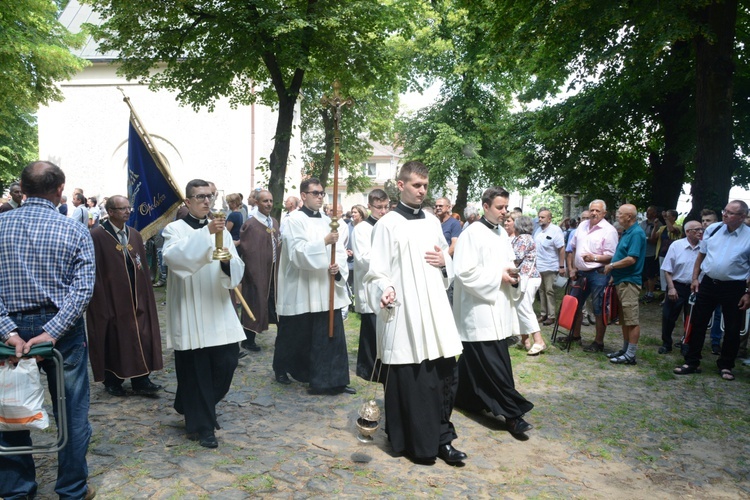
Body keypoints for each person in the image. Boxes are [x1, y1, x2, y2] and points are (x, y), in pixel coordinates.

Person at [0, 161, 96, 500]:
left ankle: (16, 490)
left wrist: (8, 330)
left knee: (10, 408)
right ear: (59, 190)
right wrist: (53, 331)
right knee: (71, 410)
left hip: (10, 327)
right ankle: (71, 489)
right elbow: (82, 289)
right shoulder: (74, 230)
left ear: (22, 189)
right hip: (62, 330)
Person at [363, 161, 466, 465]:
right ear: (401, 185)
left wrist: (444, 261)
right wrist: (384, 288)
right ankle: (412, 440)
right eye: (416, 185)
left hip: (434, 308)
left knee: (445, 373)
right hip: (405, 312)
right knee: (413, 379)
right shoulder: (386, 225)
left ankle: (443, 439)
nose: (422, 191)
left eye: (425, 185)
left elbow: (444, 261)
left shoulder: (433, 221)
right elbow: (376, 272)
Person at [162, 179, 246, 448]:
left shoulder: (221, 229)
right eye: (199, 197)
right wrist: (207, 234)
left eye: (210, 196)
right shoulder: (173, 229)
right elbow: (175, 259)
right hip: (191, 308)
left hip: (218, 305)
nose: (206, 201)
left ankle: (190, 402)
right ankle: (203, 426)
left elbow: (237, 266)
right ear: (187, 202)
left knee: (227, 362)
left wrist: (227, 265)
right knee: (197, 369)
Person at [454, 187, 534, 435]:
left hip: (498, 307)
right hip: (478, 310)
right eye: (500, 207)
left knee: (474, 363)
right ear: (485, 206)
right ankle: (513, 414)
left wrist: (513, 276)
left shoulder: (502, 234)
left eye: (506, 207)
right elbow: (464, 272)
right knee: (496, 363)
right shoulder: (471, 233)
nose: (504, 212)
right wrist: (497, 276)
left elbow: (508, 264)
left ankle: (462, 397)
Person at [274, 178, 354, 395]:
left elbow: (340, 251)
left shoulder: (330, 221)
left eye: (322, 193)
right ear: (303, 195)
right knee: (295, 332)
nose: (320, 196)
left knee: (330, 334)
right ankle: (282, 367)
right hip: (301, 284)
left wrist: (338, 268)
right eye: (315, 193)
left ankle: (334, 378)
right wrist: (324, 243)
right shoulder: (293, 220)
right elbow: (297, 253)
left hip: (325, 284)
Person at [87, 194, 163, 396]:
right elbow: (93, 270)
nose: (127, 211)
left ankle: (141, 379)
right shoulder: (97, 236)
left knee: (141, 334)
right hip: (112, 297)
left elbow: (142, 267)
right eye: (122, 209)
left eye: (128, 208)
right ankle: (113, 380)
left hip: (136, 296)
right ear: (110, 212)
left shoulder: (135, 235)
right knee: (115, 337)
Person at [674, 200, 750, 381]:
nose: (725, 214)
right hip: (708, 283)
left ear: (742, 217)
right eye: (725, 211)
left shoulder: (748, 236)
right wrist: (694, 278)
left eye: (730, 213)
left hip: (734, 287)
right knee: (698, 322)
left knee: (732, 328)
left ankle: (726, 365)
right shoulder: (713, 229)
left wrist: (748, 293)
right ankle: (692, 361)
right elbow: (701, 255)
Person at [566, 200, 619, 351]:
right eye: (592, 210)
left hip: (598, 273)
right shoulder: (582, 225)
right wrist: (574, 267)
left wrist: (594, 258)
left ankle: (598, 342)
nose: (594, 213)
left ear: (604, 213)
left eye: (597, 211)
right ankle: (575, 336)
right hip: (581, 272)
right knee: (575, 304)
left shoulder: (609, 230)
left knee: (598, 308)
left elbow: (612, 256)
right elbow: (574, 247)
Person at [352, 189, 389, 381]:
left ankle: (383, 367)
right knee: (370, 330)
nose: (383, 211)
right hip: (369, 285)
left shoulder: (389, 226)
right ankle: (368, 369)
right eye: (379, 207)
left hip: (386, 284)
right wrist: (388, 260)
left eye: (386, 207)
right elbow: (363, 258)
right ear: (370, 206)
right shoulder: (361, 229)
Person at [602, 204, 647, 364]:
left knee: (631, 319)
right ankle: (625, 349)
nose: (617, 216)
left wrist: (612, 266)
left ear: (629, 216)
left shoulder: (636, 233)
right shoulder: (628, 232)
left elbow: (631, 259)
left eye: (620, 214)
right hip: (621, 280)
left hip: (629, 282)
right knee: (624, 319)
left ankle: (631, 355)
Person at [238, 189, 280, 353]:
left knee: (274, 303)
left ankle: (281, 337)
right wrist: (254, 271)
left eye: (270, 201)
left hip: (273, 272)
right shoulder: (251, 224)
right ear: (257, 202)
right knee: (254, 302)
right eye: (265, 201)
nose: (269, 204)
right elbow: (248, 250)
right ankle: (248, 340)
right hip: (257, 272)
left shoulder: (274, 222)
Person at [658, 220, 703, 354]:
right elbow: (667, 269)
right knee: (669, 317)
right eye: (697, 229)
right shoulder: (676, 246)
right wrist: (671, 288)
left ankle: (687, 343)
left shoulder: (705, 247)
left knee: (692, 318)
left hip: (695, 288)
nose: (701, 232)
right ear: (688, 232)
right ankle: (666, 343)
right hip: (677, 285)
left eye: (702, 229)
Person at [505, 213, 545, 355]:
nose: (509, 224)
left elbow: (515, 258)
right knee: (519, 308)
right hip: (527, 278)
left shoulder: (523, 238)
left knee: (525, 308)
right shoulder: (522, 238)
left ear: (518, 225)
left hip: (528, 278)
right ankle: (524, 340)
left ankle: (539, 341)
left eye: (512, 222)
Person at [533, 208, 566, 326]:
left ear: (549, 218)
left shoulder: (555, 230)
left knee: (549, 291)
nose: (540, 219)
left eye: (542, 217)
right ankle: (543, 314)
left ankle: (551, 316)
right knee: (541, 291)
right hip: (538, 266)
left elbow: (561, 249)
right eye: (539, 217)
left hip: (550, 266)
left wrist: (561, 266)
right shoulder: (538, 230)